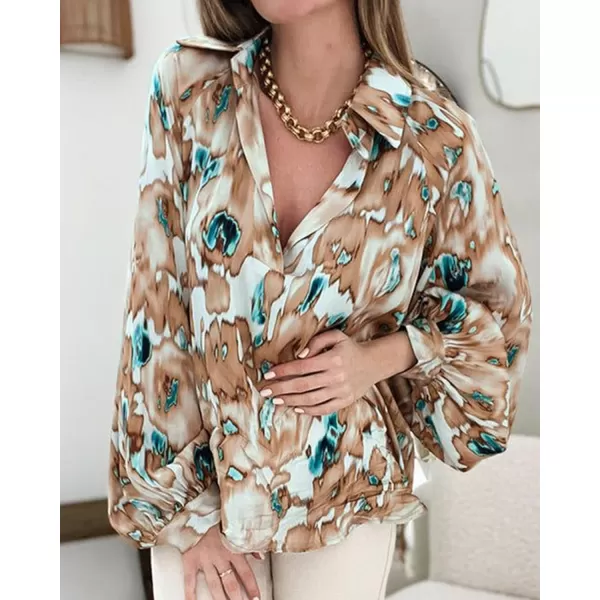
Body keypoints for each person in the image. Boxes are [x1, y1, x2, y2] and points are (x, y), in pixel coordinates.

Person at [107, 1, 532, 599]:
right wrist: (190, 516)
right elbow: (156, 312)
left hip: (345, 492)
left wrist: (379, 358)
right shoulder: (190, 89)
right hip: (200, 500)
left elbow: (499, 327)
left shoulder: (431, 132)